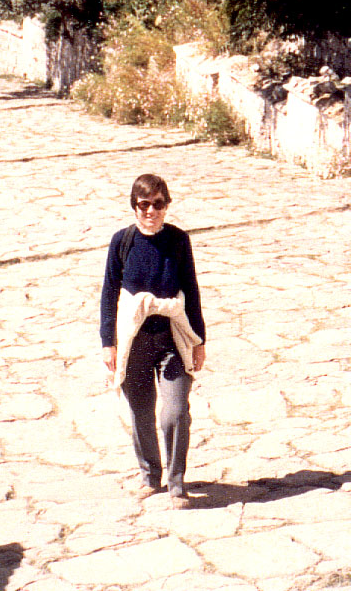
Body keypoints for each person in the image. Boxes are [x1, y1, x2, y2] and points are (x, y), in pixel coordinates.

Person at [100, 173, 206, 507]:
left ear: (166, 206)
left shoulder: (178, 240)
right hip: (136, 342)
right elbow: (108, 292)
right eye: (144, 204)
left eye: (158, 204)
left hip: (173, 338)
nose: (151, 211)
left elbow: (191, 289)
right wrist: (108, 342)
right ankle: (150, 476)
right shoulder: (122, 242)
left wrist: (199, 340)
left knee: (174, 413)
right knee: (141, 413)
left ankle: (176, 484)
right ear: (134, 206)